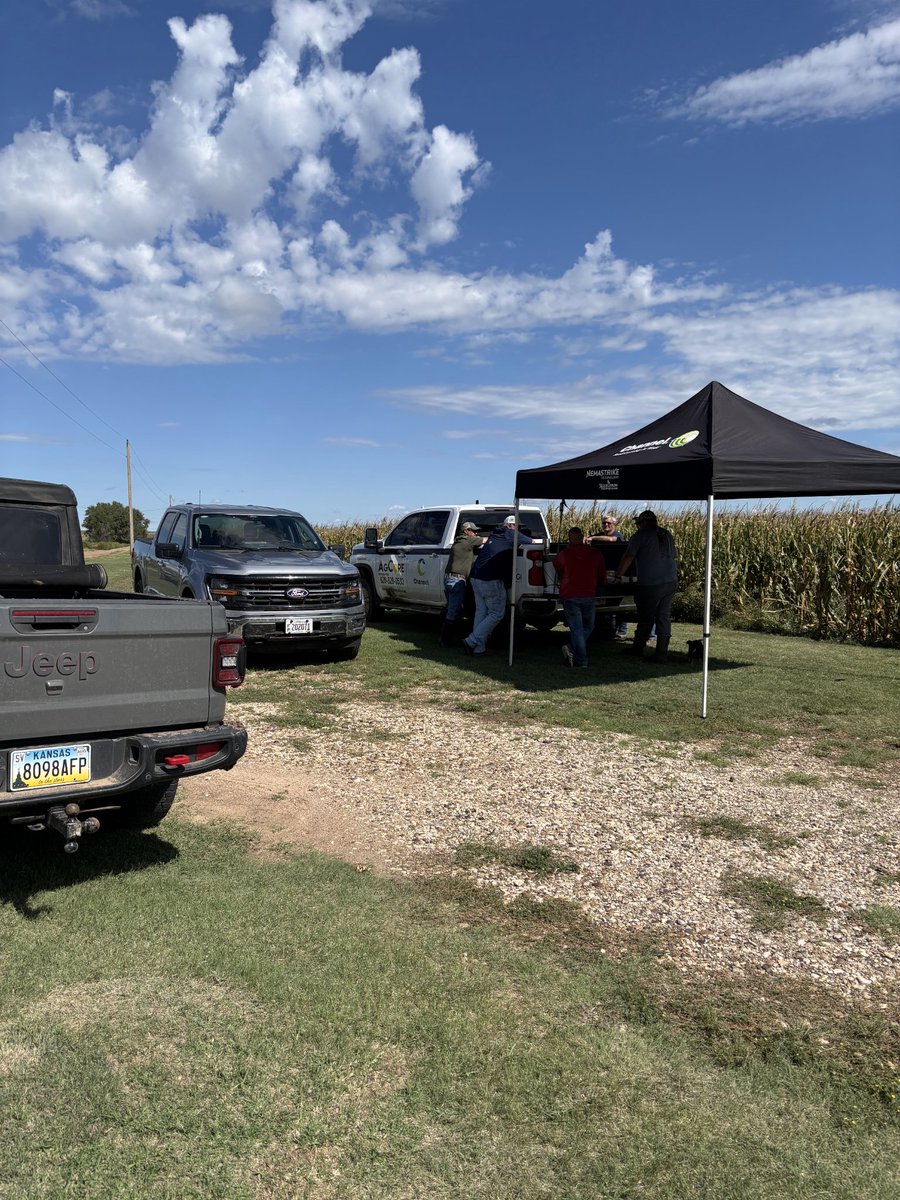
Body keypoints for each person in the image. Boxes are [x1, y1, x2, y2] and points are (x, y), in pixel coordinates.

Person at [608, 510, 677, 662]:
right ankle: (661, 653)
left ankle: (638, 648)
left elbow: (628, 556)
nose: (637, 526)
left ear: (644, 523)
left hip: (651, 583)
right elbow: (672, 556)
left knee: (646, 616)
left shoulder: (640, 536)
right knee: (663, 616)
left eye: (639, 523)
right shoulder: (666, 534)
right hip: (670, 580)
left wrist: (618, 576)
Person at [462, 515, 532, 656]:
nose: (519, 529)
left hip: (475, 576)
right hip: (490, 579)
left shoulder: (495, 534)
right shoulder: (511, 534)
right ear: (511, 526)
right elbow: (533, 542)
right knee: (497, 613)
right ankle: (472, 640)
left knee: (481, 611)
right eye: (518, 526)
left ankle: (478, 648)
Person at [552, 527, 607, 668]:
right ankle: (574, 652)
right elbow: (602, 573)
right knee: (588, 626)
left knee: (576, 629)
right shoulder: (595, 553)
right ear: (583, 537)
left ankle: (579, 658)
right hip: (588, 594)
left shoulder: (565, 553)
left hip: (570, 594)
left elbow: (556, 565)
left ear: (570, 539)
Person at [440, 521, 484, 646]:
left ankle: (448, 637)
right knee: (453, 611)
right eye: (473, 531)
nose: (476, 533)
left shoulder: (458, 540)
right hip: (457, 581)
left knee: (452, 608)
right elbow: (485, 540)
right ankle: (445, 640)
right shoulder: (469, 541)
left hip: (448, 579)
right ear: (466, 531)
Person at [587, 515, 629, 641]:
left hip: (615, 572)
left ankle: (622, 630)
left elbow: (611, 540)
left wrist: (592, 537)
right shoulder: (599, 535)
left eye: (608, 523)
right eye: (604, 523)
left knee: (618, 603)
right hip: (602, 573)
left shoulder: (618, 535)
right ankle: (601, 629)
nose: (606, 525)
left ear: (614, 525)